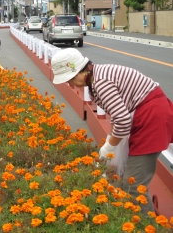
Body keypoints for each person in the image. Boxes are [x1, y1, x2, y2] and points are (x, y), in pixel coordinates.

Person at [51, 48, 173, 215]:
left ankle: (147, 225)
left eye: (70, 79)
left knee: (134, 185)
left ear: (80, 71)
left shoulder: (100, 83)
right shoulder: (97, 76)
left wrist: (109, 147)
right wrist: (110, 141)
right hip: (145, 113)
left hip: (151, 118)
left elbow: (122, 120)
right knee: (126, 177)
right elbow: (117, 116)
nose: (70, 84)